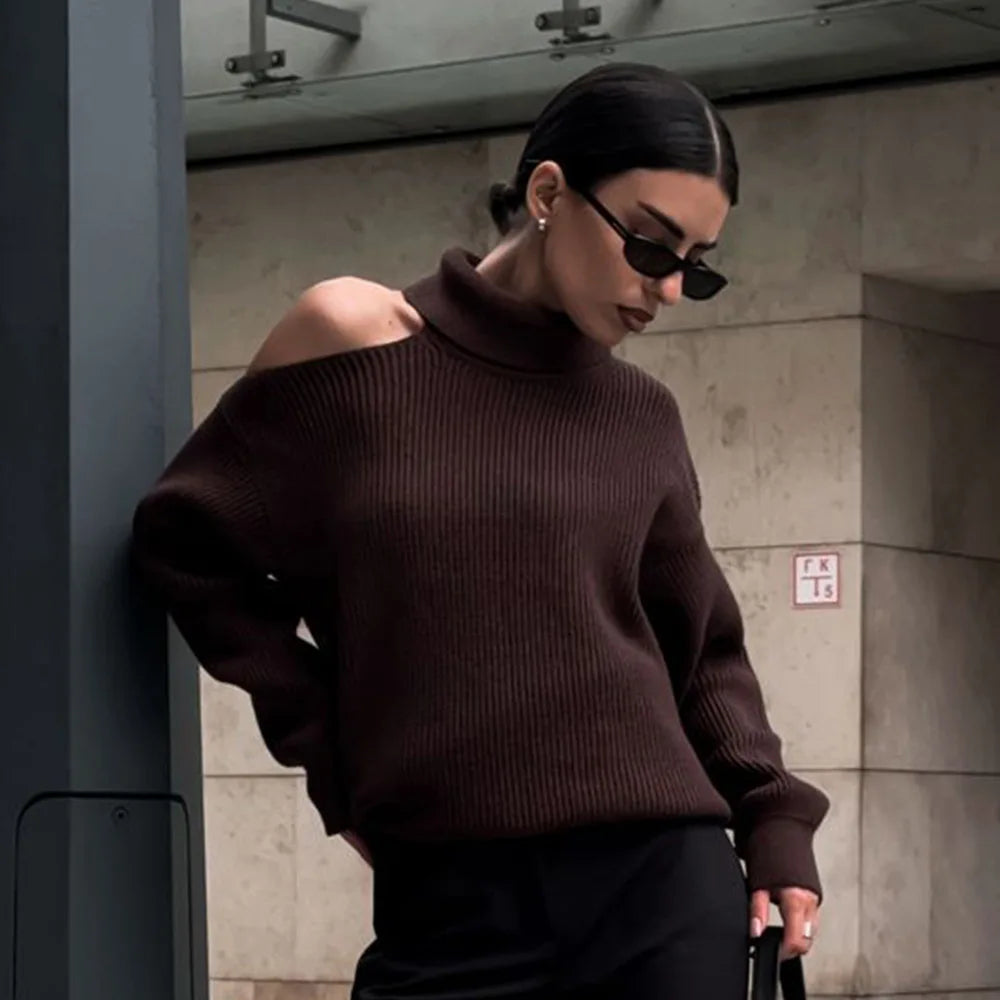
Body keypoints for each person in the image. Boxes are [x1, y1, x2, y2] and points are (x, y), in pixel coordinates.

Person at [132, 63, 829, 999]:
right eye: (651, 248)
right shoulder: (355, 345)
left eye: (694, 267)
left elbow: (703, 653)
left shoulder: (640, 415)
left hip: (662, 890)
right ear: (548, 191)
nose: (665, 292)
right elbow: (185, 544)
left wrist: (775, 822)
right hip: (447, 907)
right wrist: (331, 756)